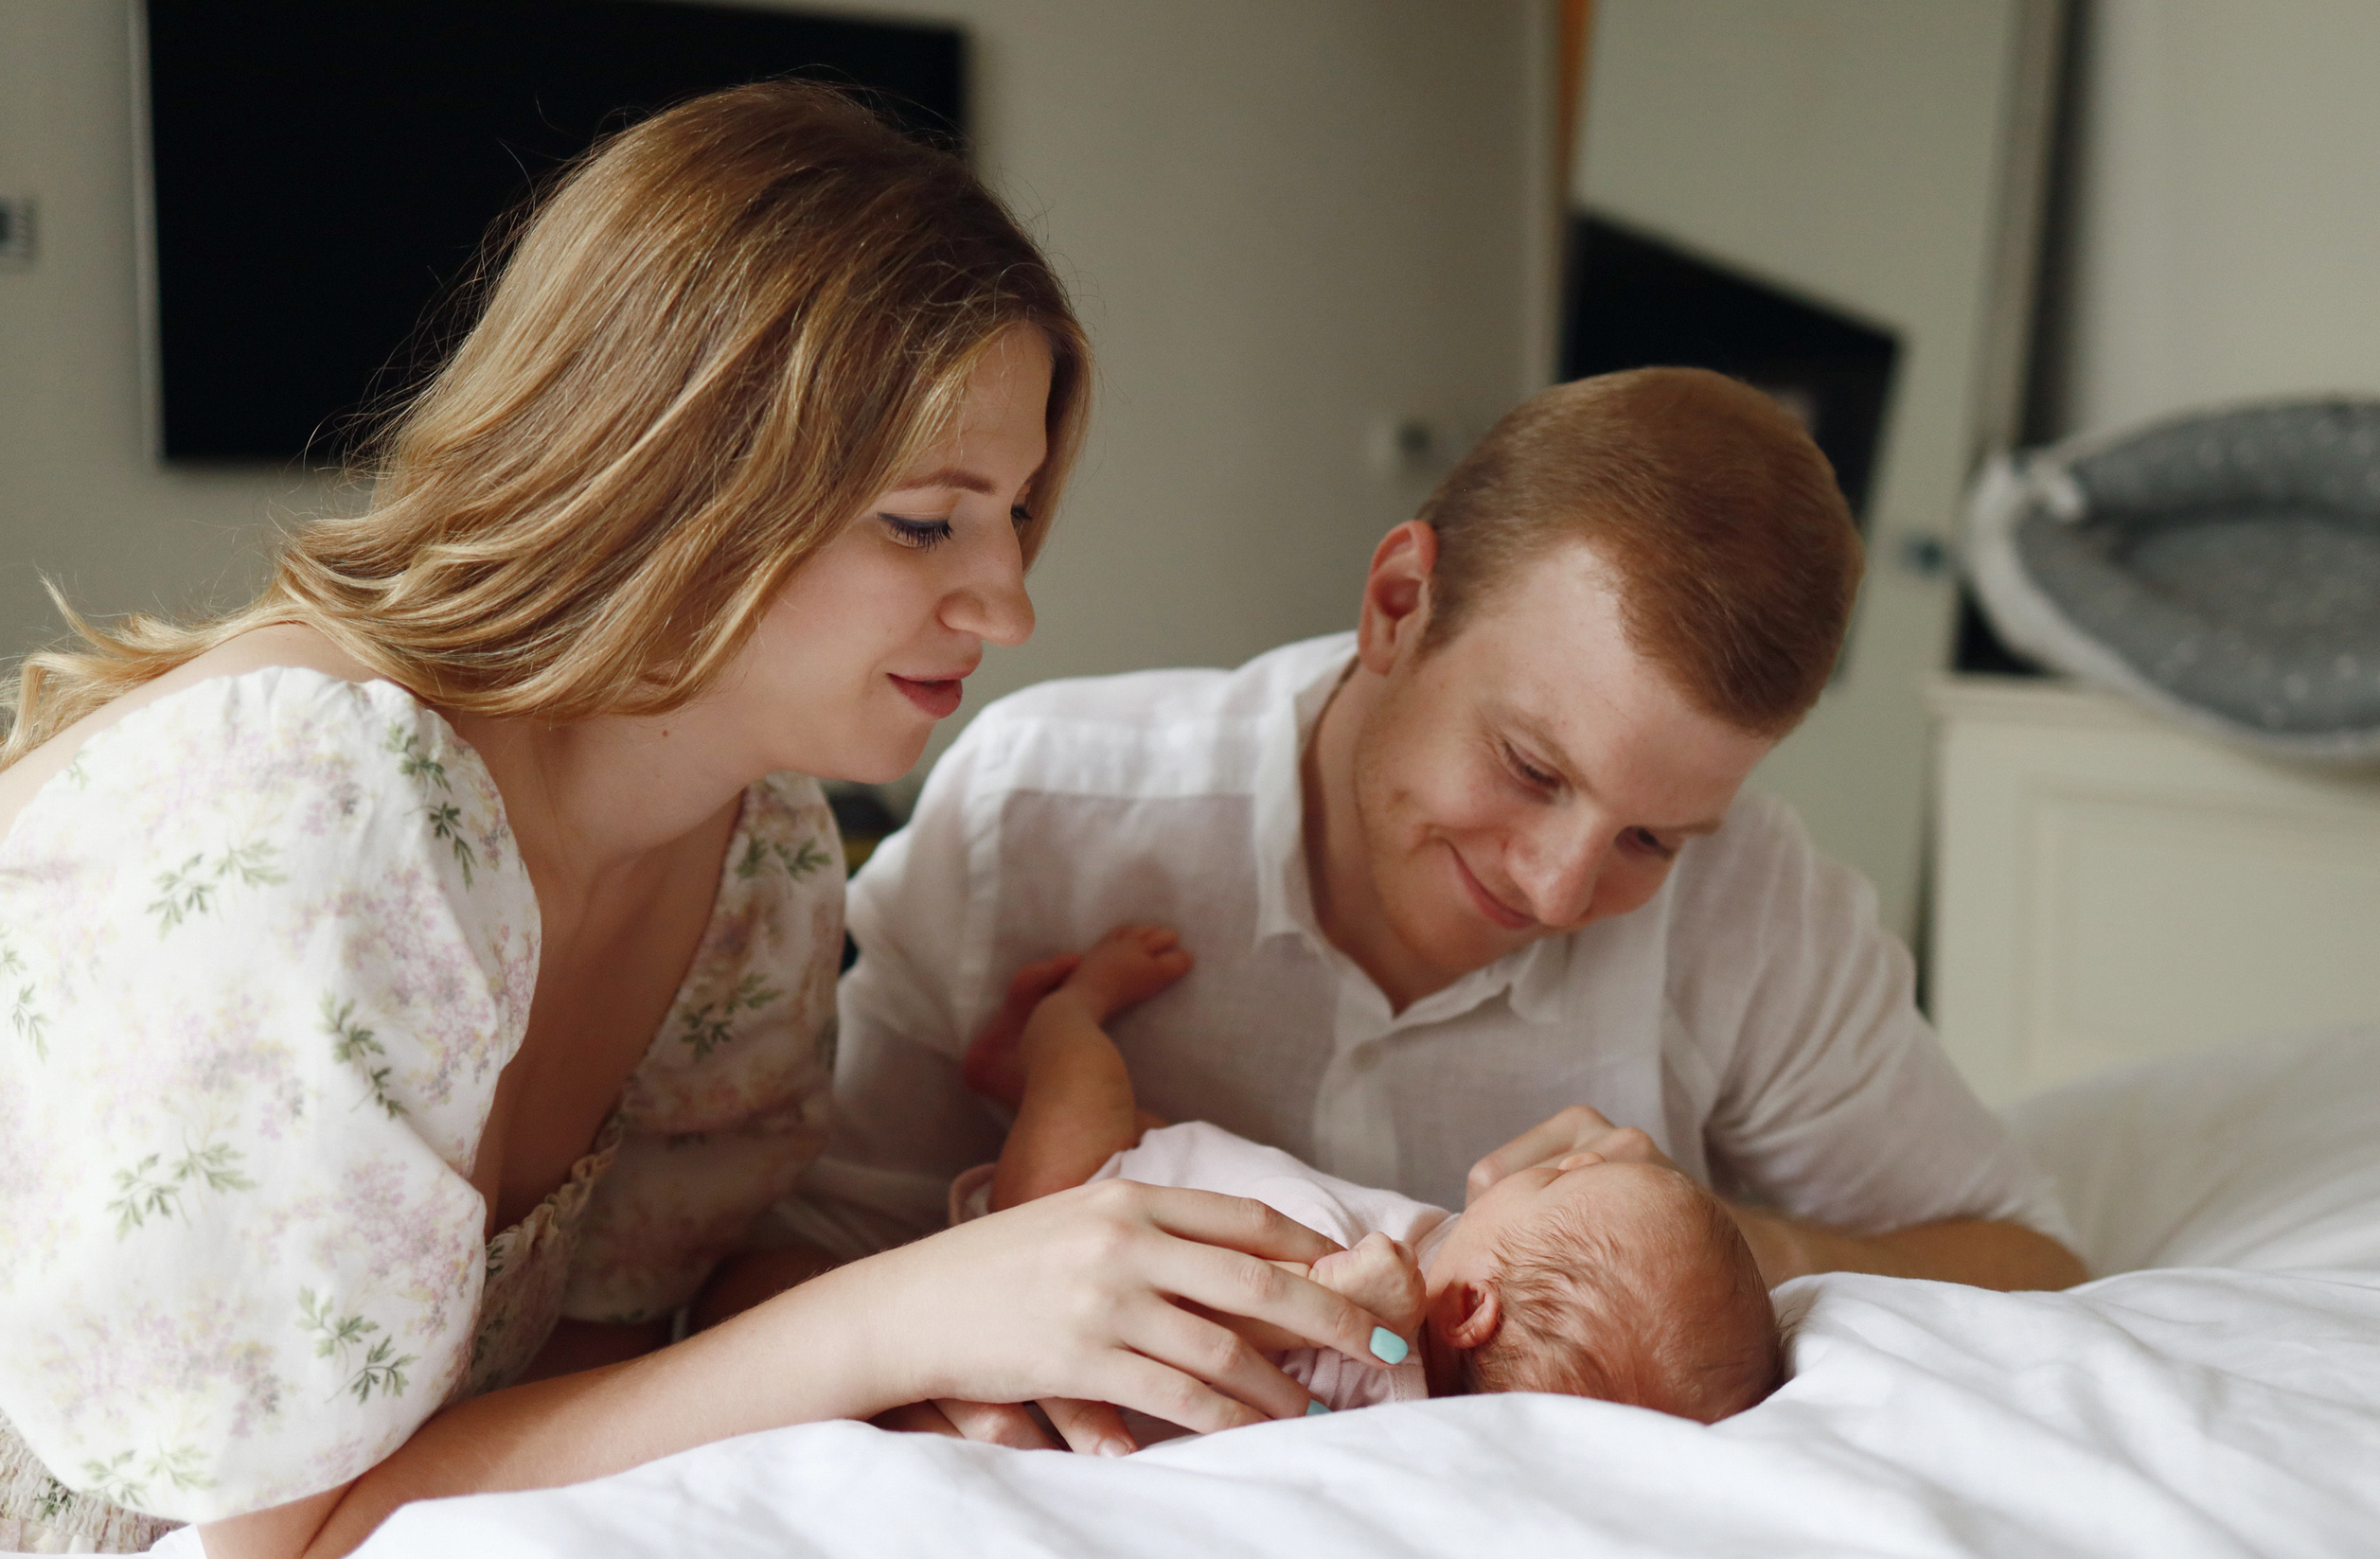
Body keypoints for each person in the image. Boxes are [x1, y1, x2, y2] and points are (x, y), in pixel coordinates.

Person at [0, 83, 1398, 1559]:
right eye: (924, 521)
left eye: (1016, 515)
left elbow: (607, 1356)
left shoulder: (759, 854)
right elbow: (276, 1542)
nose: (1011, 605)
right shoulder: (316, 804)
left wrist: (971, 1358)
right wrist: (898, 1318)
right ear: (683, 469)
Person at [803, 366, 2088, 1449]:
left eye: (1651, 835)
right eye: (1532, 769)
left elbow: (2038, 1267)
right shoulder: (1046, 807)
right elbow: (788, 1259)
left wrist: (1728, 1243)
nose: (1558, 887)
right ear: (1397, 603)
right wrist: (947, 1401)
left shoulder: (1756, 904)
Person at [954, 923, 1781, 1424]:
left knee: (1084, 1079)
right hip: (1166, 1173)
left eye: (1559, 1179)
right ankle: (1020, 1091)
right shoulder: (1451, 1282)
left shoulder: (1375, 1371)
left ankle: (1059, 1016)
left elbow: (1212, 1333)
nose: (1576, 1153)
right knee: (1166, 1137)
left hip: (1062, 1214)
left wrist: (1333, 1297)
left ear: (1470, 1309)